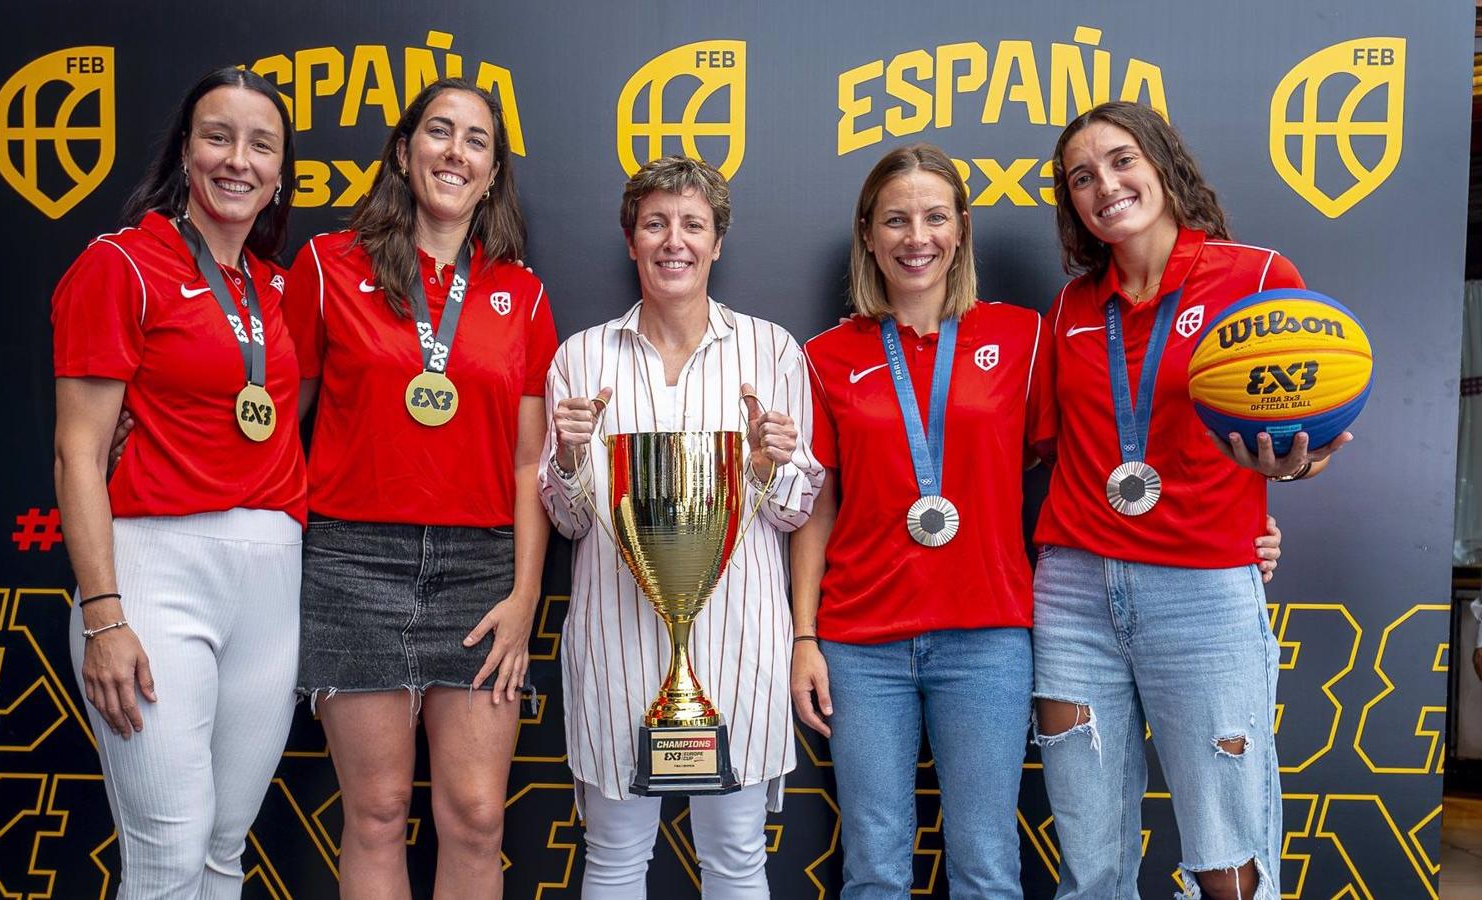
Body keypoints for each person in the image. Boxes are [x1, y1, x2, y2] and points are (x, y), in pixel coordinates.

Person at [1030, 100, 1347, 900]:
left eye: (1122, 160)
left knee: (1226, 857)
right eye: (1082, 177)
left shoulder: (1259, 277)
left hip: (1203, 592)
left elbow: (1298, 435)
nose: (1105, 185)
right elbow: (1043, 449)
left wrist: (1286, 474)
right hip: (1073, 595)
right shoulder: (1070, 309)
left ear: (1165, 165)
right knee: (1091, 860)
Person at [281, 78, 556, 898]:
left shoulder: (523, 292)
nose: (455, 152)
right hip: (352, 562)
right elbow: (268, 416)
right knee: (376, 808)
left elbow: (527, 465)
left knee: (475, 814)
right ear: (403, 151)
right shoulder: (327, 266)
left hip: (481, 574)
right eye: (440, 131)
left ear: (493, 171)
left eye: (476, 140)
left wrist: (526, 595)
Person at [539, 155, 823, 898]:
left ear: (717, 242)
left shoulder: (774, 352)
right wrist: (569, 455)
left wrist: (769, 463)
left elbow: (794, 511)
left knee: (736, 862)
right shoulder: (580, 358)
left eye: (693, 225)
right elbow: (569, 523)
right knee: (613, 862)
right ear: (631, 240)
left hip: (737, 648)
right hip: (616, 650)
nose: (675, 241)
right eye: (656, 223)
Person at [51, 66, 305, 897]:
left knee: (223, 848)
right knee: (167, 848)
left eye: (260, 144)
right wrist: (103, 616)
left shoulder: (275, 286)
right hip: (156, 568)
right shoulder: (121, 263)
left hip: (271, 573)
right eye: (218, 137)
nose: (238, 160)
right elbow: (79, 455)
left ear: (279, 175)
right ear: (185, 154)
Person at [788, 142, 1039, 899]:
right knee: (873, 868)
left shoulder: (1022, 338)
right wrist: (805, 635)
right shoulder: (826, 355)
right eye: (896, 220)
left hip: (987, 636)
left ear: (961, 228)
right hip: (863, 642)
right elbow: (815, 507)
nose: (916, 237)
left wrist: (1239, 523)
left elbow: (1089, 462)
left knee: (987, 866)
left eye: (934, 217)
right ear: (868, 233)